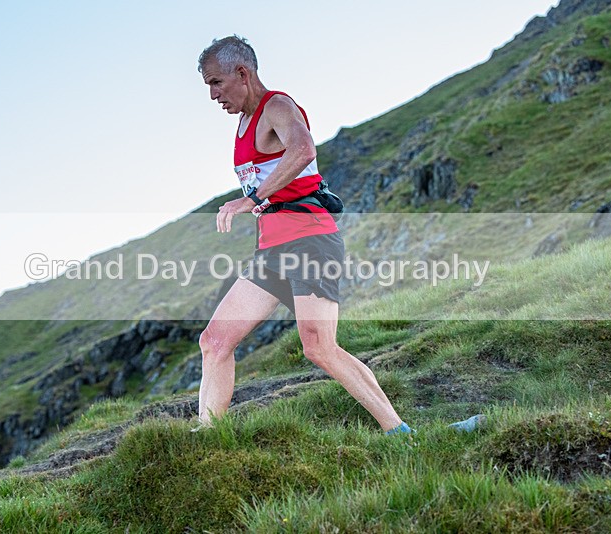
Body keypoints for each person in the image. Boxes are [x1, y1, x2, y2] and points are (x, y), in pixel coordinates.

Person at [195, 35, 482, 435]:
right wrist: (256, 201)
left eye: (216, 82)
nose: (212, 95)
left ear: (242, 73)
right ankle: (207, 438)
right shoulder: (243, 124)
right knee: (214, 340)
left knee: (318, 346)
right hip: (273, 251)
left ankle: (399, 433)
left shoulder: (276, 106)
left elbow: (303, 150)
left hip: (310, 242)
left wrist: (252, 199)